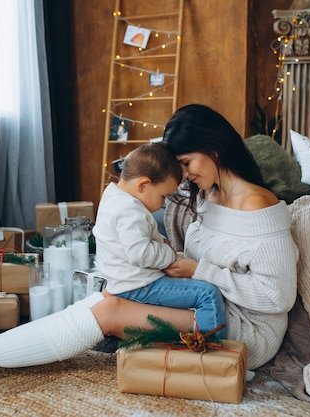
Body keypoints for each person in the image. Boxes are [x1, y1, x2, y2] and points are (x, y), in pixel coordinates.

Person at [0, 104, 298, 372]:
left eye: (186, 163)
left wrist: (199, 270)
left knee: (109, 311)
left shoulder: (256, 206)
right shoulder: (208, 194)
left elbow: (277, 296)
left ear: (213, 148)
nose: (183, 177)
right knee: (103, 298)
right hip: (208, 303)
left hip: (244, 328)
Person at [93, 142, 227, 339]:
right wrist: (169, 254)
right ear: (143, 185)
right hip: (138, 286)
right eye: (163, 196)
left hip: (125, 282)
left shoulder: (113, 196)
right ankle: (217, 359)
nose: (163, 203)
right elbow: (141, 254)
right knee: (207, 294)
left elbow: (143, 238)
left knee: (193, 288)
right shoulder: (129, 210)